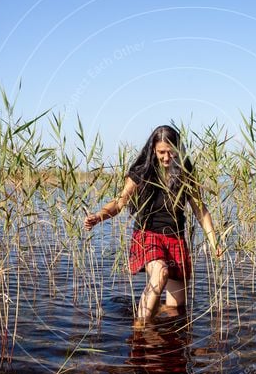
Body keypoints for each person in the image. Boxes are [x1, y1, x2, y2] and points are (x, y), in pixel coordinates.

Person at [84, 125, 222, 327]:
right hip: (148, 235)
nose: (166, 158)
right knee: (161, 272)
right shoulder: (142, 172)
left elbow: (200, 210)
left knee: (176, 309)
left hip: (175, 239)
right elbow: (119, 203)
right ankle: (139, 329)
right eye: (161, 153)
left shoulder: (185, 173)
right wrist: (98, 216)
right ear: (153, 150)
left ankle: (152, 317)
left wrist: (214, 242)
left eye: (171, 152)